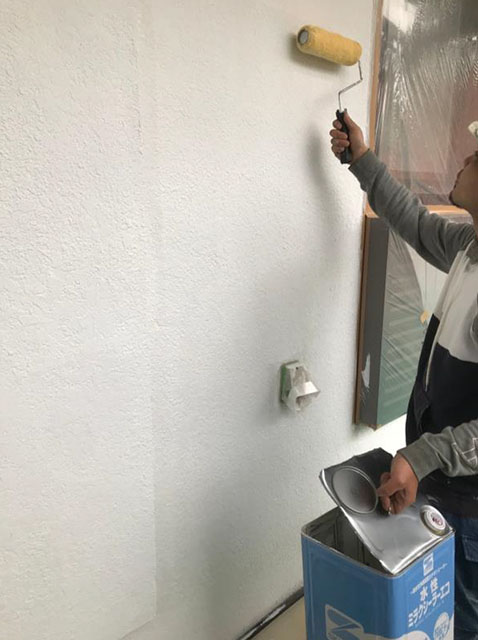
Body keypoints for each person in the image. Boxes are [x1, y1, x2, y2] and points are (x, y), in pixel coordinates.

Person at [330, 111, 478, 639]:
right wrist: (362, 159)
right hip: (444, 487)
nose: (465, 157)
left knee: (462, 620)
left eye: (477, 156)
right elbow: (414, 222)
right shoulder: (469, 246)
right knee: (439, 614)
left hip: (470, 507)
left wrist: (421, 456)